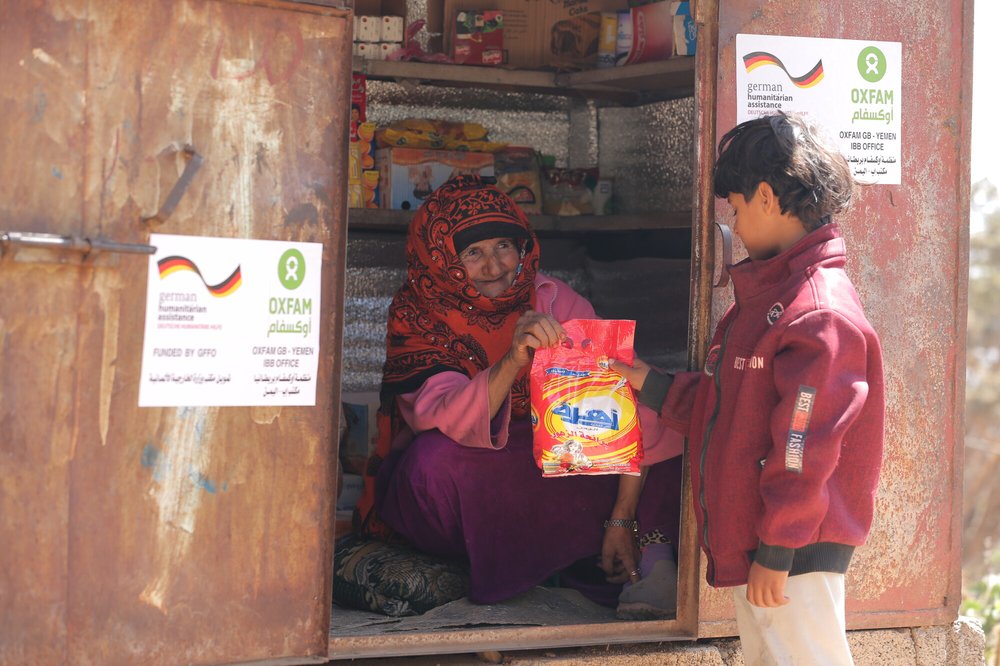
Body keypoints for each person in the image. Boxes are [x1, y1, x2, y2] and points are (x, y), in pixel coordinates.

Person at [612, 112, 885, 664]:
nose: (732, 222)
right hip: (768, 544)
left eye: (733, 208)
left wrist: (779, 547)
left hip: (793, 554)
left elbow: (804, 444)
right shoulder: (771, 301)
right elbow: (733, 408)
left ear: (764, 196)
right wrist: (647, 381)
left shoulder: (816, 313)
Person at [353, 176, 684, 617]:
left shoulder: (552, 298)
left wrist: (621, 515)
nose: (494, 266)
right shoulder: (420, 313)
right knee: (433, 464)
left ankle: (647, 557)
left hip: (551, 466)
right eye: (473, 252)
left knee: (674, 413)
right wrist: (513, 360)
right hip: (472, 474)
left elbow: (624, 402)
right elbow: (440, 418)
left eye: (503, 246)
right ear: (442, 260)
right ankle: (548, 563)